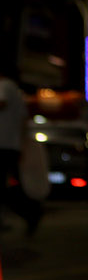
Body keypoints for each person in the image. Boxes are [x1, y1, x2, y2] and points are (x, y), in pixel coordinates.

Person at [0, 71, 42, 236]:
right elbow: (24, 119)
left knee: (4, 186)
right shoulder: (15, 90)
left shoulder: (3, 85)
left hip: (3, 144)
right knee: (10, 183)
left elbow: (2, 103)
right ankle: (30, 211)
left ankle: (30, 211)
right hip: (11, 145)